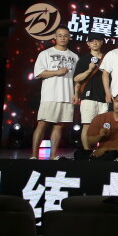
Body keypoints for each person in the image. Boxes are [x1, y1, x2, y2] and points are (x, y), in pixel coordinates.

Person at [31, 26, 79, 159]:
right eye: (60, 35)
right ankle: (34, 156)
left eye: (65, 36)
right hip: (50, 95)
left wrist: (76, 94)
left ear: (69, 37)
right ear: (55, 37)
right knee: (42, 124)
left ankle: (53, 156)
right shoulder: (45, 53)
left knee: (59, 126)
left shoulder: (74, 56)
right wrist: (57, 72)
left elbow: (77, 79)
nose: (63, 38)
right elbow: (39, 73)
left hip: (67, 96)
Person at [73, 32, 107, 151]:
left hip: (104, 98)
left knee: (104, 127)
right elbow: (76, 79)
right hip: (88, 97)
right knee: (87, 125)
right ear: (88, 43)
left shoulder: (107, 58)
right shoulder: (84, 59)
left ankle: (100, 152)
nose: (95, 43)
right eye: (92, 41)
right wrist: (89, 70)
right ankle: (86, 152)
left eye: (97, 40)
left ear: (102, 42)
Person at [86, 92, 118, 160]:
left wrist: (106, 149)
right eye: (117, 101)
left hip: (116, 152)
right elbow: (90, 142)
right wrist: (100, 135)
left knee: (109, 156)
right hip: (99, 150)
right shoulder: (100, 118)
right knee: (79, 154)